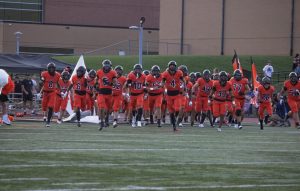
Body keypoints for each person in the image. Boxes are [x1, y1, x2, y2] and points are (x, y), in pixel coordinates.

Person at [161, 61, 184, 131]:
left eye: (173, 65)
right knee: (171, 111)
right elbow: (163, 82)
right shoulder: (165, 73)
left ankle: (174, 118)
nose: (172, 66)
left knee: (177, 109)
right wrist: (162, 86)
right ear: (168, 66)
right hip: (169, 94)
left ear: (175, 66)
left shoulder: (179, 73)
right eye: (171, 65)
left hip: (177, 94)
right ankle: (174, 126)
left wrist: (183, 87)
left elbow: (183, 81)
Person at [96, 60, 117, 130]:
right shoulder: (99, 72)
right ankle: (101, 121)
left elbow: (115, 83)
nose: (106, 67)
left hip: (109, 92)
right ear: (103, 65)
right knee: (101, 107)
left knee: (108, 109)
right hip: (101, 92)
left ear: (110, 66)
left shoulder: (113, 72)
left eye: (108, 66)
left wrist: (110, 83)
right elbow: (96, 81)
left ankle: (106, 119)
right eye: (105, 65)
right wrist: (96, 86)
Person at [40, 62, 61, 127]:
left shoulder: (57, 75)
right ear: (48, 69)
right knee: (44, 107)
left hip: (52, 92)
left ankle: (48, 121)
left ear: (54, 69)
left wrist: (61, 91)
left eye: (52, 68)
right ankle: (45, 116)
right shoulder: (44, 74)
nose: (51, 69)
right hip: (45, 92)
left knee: (51, 106)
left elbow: (58, 83)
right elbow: (42, 82)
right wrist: (40, 92)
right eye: (50, 68)